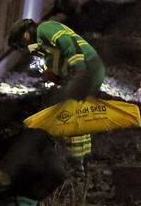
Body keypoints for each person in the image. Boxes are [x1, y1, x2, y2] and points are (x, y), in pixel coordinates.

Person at [7, 18, 105, 163]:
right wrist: (55, 78)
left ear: (26, 35)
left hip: (87, 68)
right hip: (88, 69)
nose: (26, 49)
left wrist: (78, 68)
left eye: (22, 44)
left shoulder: (45, 29)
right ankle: (83, 157)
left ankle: (75, 161)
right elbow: (60, 74)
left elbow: (66, 42)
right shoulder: (46, 54)